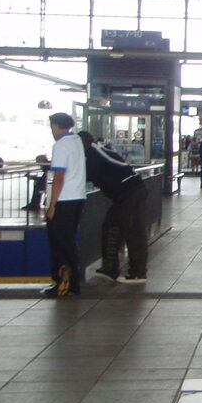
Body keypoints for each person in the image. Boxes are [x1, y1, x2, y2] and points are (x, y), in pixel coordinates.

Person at [79, 132, 148, 284]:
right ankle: (110, 269)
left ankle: (137, 273)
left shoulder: (93, 153)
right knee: (112, 227)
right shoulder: (97, 150)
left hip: (130, 192)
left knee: (133, 231)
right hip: (126, 193)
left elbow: (88, 174)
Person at [45, 113, 86, 296]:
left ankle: (63, 284)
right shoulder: (76, 140)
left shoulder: (60, 146)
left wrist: (52, 205)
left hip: (64, 199)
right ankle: (73, 284)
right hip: (78, 197)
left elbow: (59, 178)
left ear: (55, 126)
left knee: (59, 243)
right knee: (68, 241)